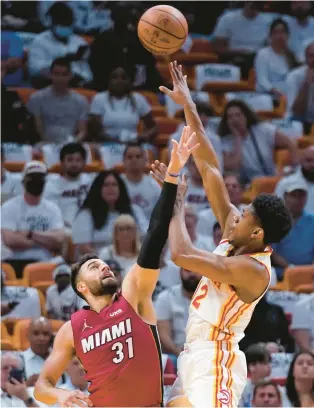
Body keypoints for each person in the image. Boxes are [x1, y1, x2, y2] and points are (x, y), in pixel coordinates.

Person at [34, 125, 199, 407]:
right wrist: (62, 395)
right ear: (82, 287)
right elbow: (42, 385)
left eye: (104, 264)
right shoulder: (71, 329)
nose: (104, 268)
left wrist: (172, 174)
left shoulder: (133, 295)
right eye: (94, 266)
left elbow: (155, 237)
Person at [158, 61, 292, 408]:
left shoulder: (254, 270)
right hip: (194, 352)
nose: (238, 212)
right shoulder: (236, 230)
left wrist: (174, 201)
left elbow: (181, 255)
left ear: (258, 231)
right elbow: (209, 166)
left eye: (247, 214)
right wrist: (189, 106)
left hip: (217, 357)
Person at [1, 161, 65, 278]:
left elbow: (59, 240)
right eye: (32, 177)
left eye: (40, 177)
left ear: (45, 181)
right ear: (23, 180)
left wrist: (30, 234)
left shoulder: (52, 208)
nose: (36, 181)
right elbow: (9, 240)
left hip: (45, 262)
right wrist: (45, 240)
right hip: (14, 261)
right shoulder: (9, 207)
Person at [218, 99, 298, 184]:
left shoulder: (263, 130)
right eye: (230, 117)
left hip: (271, 179)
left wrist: (293, 167)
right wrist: (237, 138)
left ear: (246, 116)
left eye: (238, 115)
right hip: (246, 186)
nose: (235, 119)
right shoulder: (224, 142)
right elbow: (234, 165)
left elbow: (290, 142)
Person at [72, 170, 147, 255]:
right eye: (106, 185)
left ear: (120, 188)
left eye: (114, 185)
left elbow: (146, 238)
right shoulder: (86, 214)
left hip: (132, 260)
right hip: (98, 262)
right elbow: (84, 248)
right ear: (98, 189)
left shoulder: (134, 210)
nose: (111, 188)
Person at [28, 2, 92, 88]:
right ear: (52, 23)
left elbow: (87, 72)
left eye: (68, 24)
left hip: (76, 84)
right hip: (48, 84)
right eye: (62, 24)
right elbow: (35, 70)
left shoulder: (79, 42)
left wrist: (81, 78)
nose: (65, 27)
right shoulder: (39, 41)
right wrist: (63, 61)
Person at [27, 58, 89, 144]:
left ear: (70, 76)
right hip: (44, 144)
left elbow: (82, 131)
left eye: (64, 74)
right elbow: (38, 128)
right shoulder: (37, 98)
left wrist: (72, 143)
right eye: (56, 74)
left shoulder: (81, 100)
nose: (60, 78)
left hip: (72, 143)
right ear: (50, 74)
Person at [89, 65, 157, 144]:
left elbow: (153, 127)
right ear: (109, 80)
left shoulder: (138, 99)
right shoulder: (99, 98)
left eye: (124, 78)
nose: (119, 81)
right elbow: (95, 131)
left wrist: (144, 136)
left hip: (133, 143)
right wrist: (117, 141)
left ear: (129, 80)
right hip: (106, 143)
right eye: (114, 77)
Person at [271, 176, 314, 281]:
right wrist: (292, 269)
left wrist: (309, 272)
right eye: (293, 195)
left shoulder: (312, 220)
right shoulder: (275, 221)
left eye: (301, 196)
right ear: (285, 196)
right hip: (282, 274)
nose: (298, 200)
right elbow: (272, 253)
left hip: (309, 275)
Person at [156, 268, 202, 365]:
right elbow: (163, 335)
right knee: (167, 361)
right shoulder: (165, 297)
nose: (192, 274)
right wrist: (179, 353)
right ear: (180, 272)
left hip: (207, 352)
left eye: (196, 270)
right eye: (187, 270)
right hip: (176, 354)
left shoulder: (214, 298)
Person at [44, 142, 94, 228]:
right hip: (62, 229)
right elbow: (50, 214)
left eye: (78, 160)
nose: (74, 164)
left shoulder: (92, 181)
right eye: (70, 160)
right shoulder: (51, 184)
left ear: (84, 163)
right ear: (62, 162)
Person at [255, 19, 297, 96]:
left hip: (288, 94)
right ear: (270, 36)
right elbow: (262, 80)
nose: (279, 36)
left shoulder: (290, 55)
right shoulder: (263, 54)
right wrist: (275, 91)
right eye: (275, 32)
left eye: (282, 32)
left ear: (288, 35)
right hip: (268, 95)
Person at [121, 142, 161, 220]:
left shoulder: (154, 185)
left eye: (138, 156)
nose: (134, 160)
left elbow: (160, 215)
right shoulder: (117, 184)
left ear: (145, 160)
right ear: (123, 161)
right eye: (129, 157)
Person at [275, 146, 314, 215]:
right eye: (308, 160)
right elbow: (277, 212)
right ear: (301, 161)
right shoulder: (286, 183)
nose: (312, 165)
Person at [286, 41, 314, 130]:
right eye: (311, 56)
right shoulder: (294, 76)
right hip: (298, 122)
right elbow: (296, 112)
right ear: (305, 59)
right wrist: (307, 83)